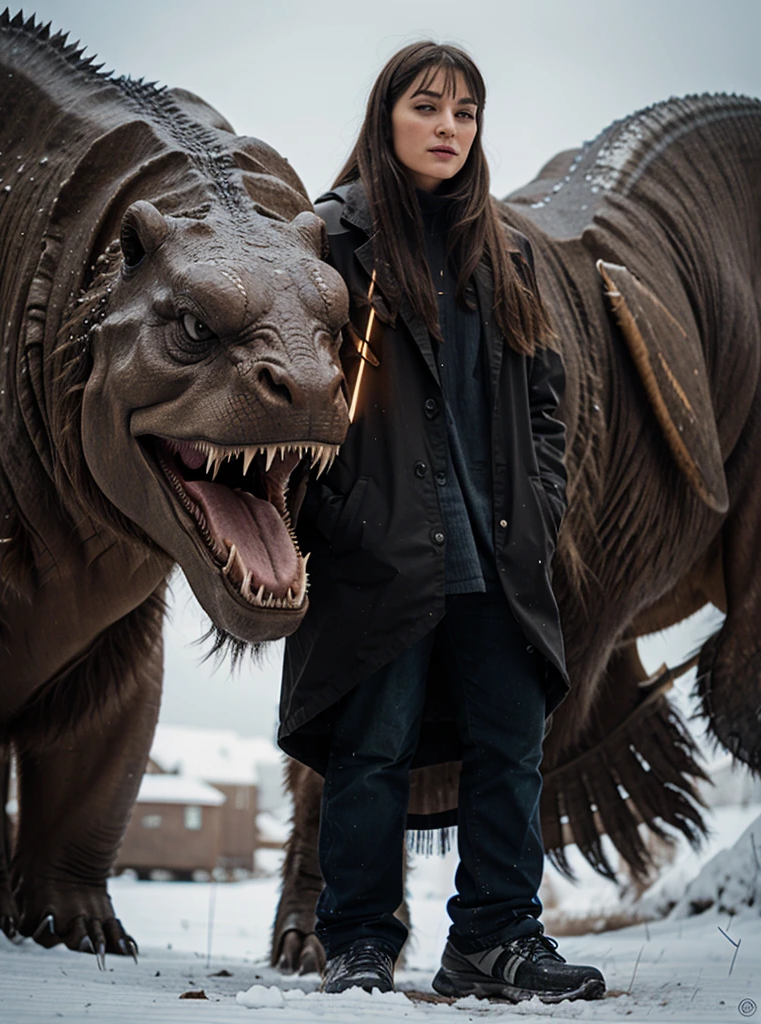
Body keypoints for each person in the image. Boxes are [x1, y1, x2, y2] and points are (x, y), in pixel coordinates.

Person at [278, 41, 605, 1003]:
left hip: (499, 551)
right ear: (387, 117)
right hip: (381, 553)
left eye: (466, 114)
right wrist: (338, 511)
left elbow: (546, 398)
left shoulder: (502, 248)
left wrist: (540, 507)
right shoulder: (331, 240)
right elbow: (296, 391)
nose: (450, 129)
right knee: (370, 751)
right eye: (429, 108)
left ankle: (497, 941)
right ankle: (360, 946)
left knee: (512, 746)